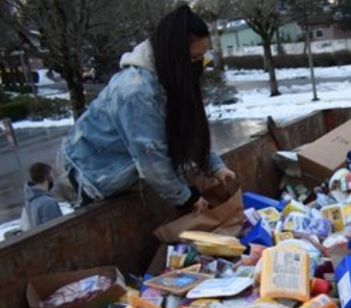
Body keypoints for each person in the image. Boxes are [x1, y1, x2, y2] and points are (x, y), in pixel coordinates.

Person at [59, 5, 235, 212]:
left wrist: (216, 167)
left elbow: (187, 130)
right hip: (92, 176)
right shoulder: (136, 91)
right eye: (194, 58)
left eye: (201, 59)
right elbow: (151, 156)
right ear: (174, 53)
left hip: (124, 170)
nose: (198, 66)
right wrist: (188, 199)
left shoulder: (169, 79)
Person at [20, 162, 63, 231]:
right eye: (52, 175)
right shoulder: (47, 203)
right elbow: (57, 230)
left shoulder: (29, 202)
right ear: (47, 177)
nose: (53, 178)